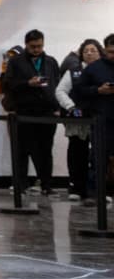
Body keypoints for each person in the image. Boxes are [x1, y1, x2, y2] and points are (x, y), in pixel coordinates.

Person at [3, 29, 62, 196]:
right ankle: (21, 185)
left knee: (45, 150)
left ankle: (46, 185)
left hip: (47, 111)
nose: (36, 50)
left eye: (40, 46)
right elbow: (8, 84)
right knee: (22, 149)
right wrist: (27, 83)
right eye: (33, 46)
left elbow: (57, 84)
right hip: (24, 111)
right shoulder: (15, 61)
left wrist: (57, 107)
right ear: (26, 45)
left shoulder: (51, 62)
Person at [56, 38, 102, 203]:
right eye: (86, 51)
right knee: (77, 152)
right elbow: (60, 91)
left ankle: (99, 189)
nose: (89, 53)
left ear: (100, 53)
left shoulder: (106, 70)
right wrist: (71, 107)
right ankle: (76, 187)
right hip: (78, 118)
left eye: (93, 50)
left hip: (100, 117)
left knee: (100, 154)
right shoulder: (74, 72)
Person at [73, 33, 114, 206]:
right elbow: (78, 91)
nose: (113, 56)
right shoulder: (93, 68)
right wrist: (98, 90)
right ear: (105, 50)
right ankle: (96, 193)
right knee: (99, 158)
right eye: (111, 52)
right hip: (102, 120)